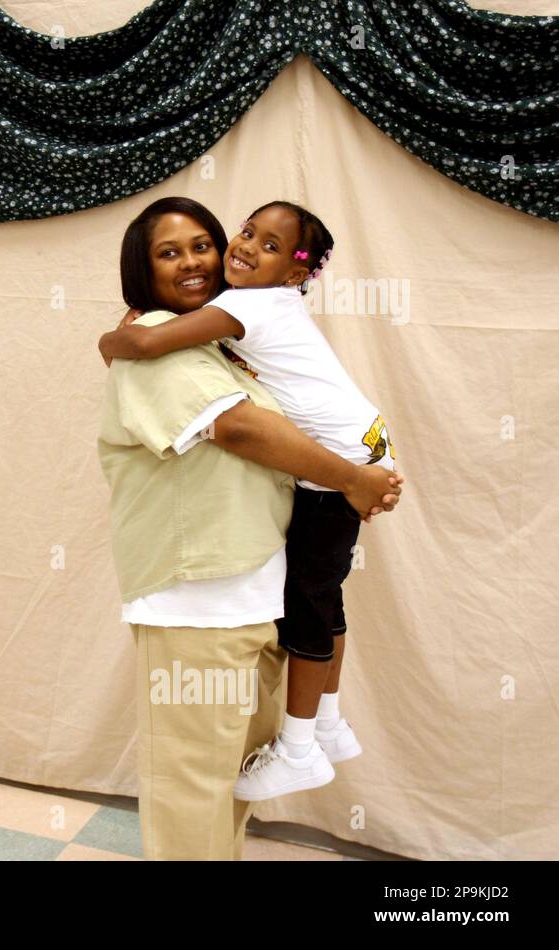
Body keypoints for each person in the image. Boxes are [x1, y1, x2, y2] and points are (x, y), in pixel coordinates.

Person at [98, 196, 403, 859]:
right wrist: (352, 478)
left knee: (224, 791)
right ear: (140, 270)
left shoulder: (225, 339)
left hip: (253, 599)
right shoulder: (155, 341)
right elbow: (241, 428)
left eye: (200, 244)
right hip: (199, 605)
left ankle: (320, 724)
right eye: (169, 253)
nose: (196, 261)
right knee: (193, 792)